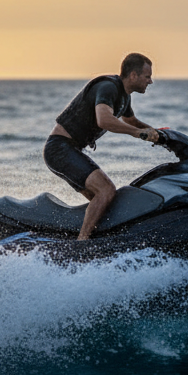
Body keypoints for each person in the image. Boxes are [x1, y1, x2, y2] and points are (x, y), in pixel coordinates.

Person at [44, 52, 162, 240]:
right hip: (60, 149)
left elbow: (131, 121)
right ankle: (82, 243)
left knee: (103, 202)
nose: (150, 81)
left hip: (69, 150)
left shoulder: (124, 96)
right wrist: (137, 133)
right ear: (133, 75)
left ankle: (97, 239)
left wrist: (158, 134)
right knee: (106, 190)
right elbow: (104, 120)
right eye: (147, 77)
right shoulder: (108, 87)